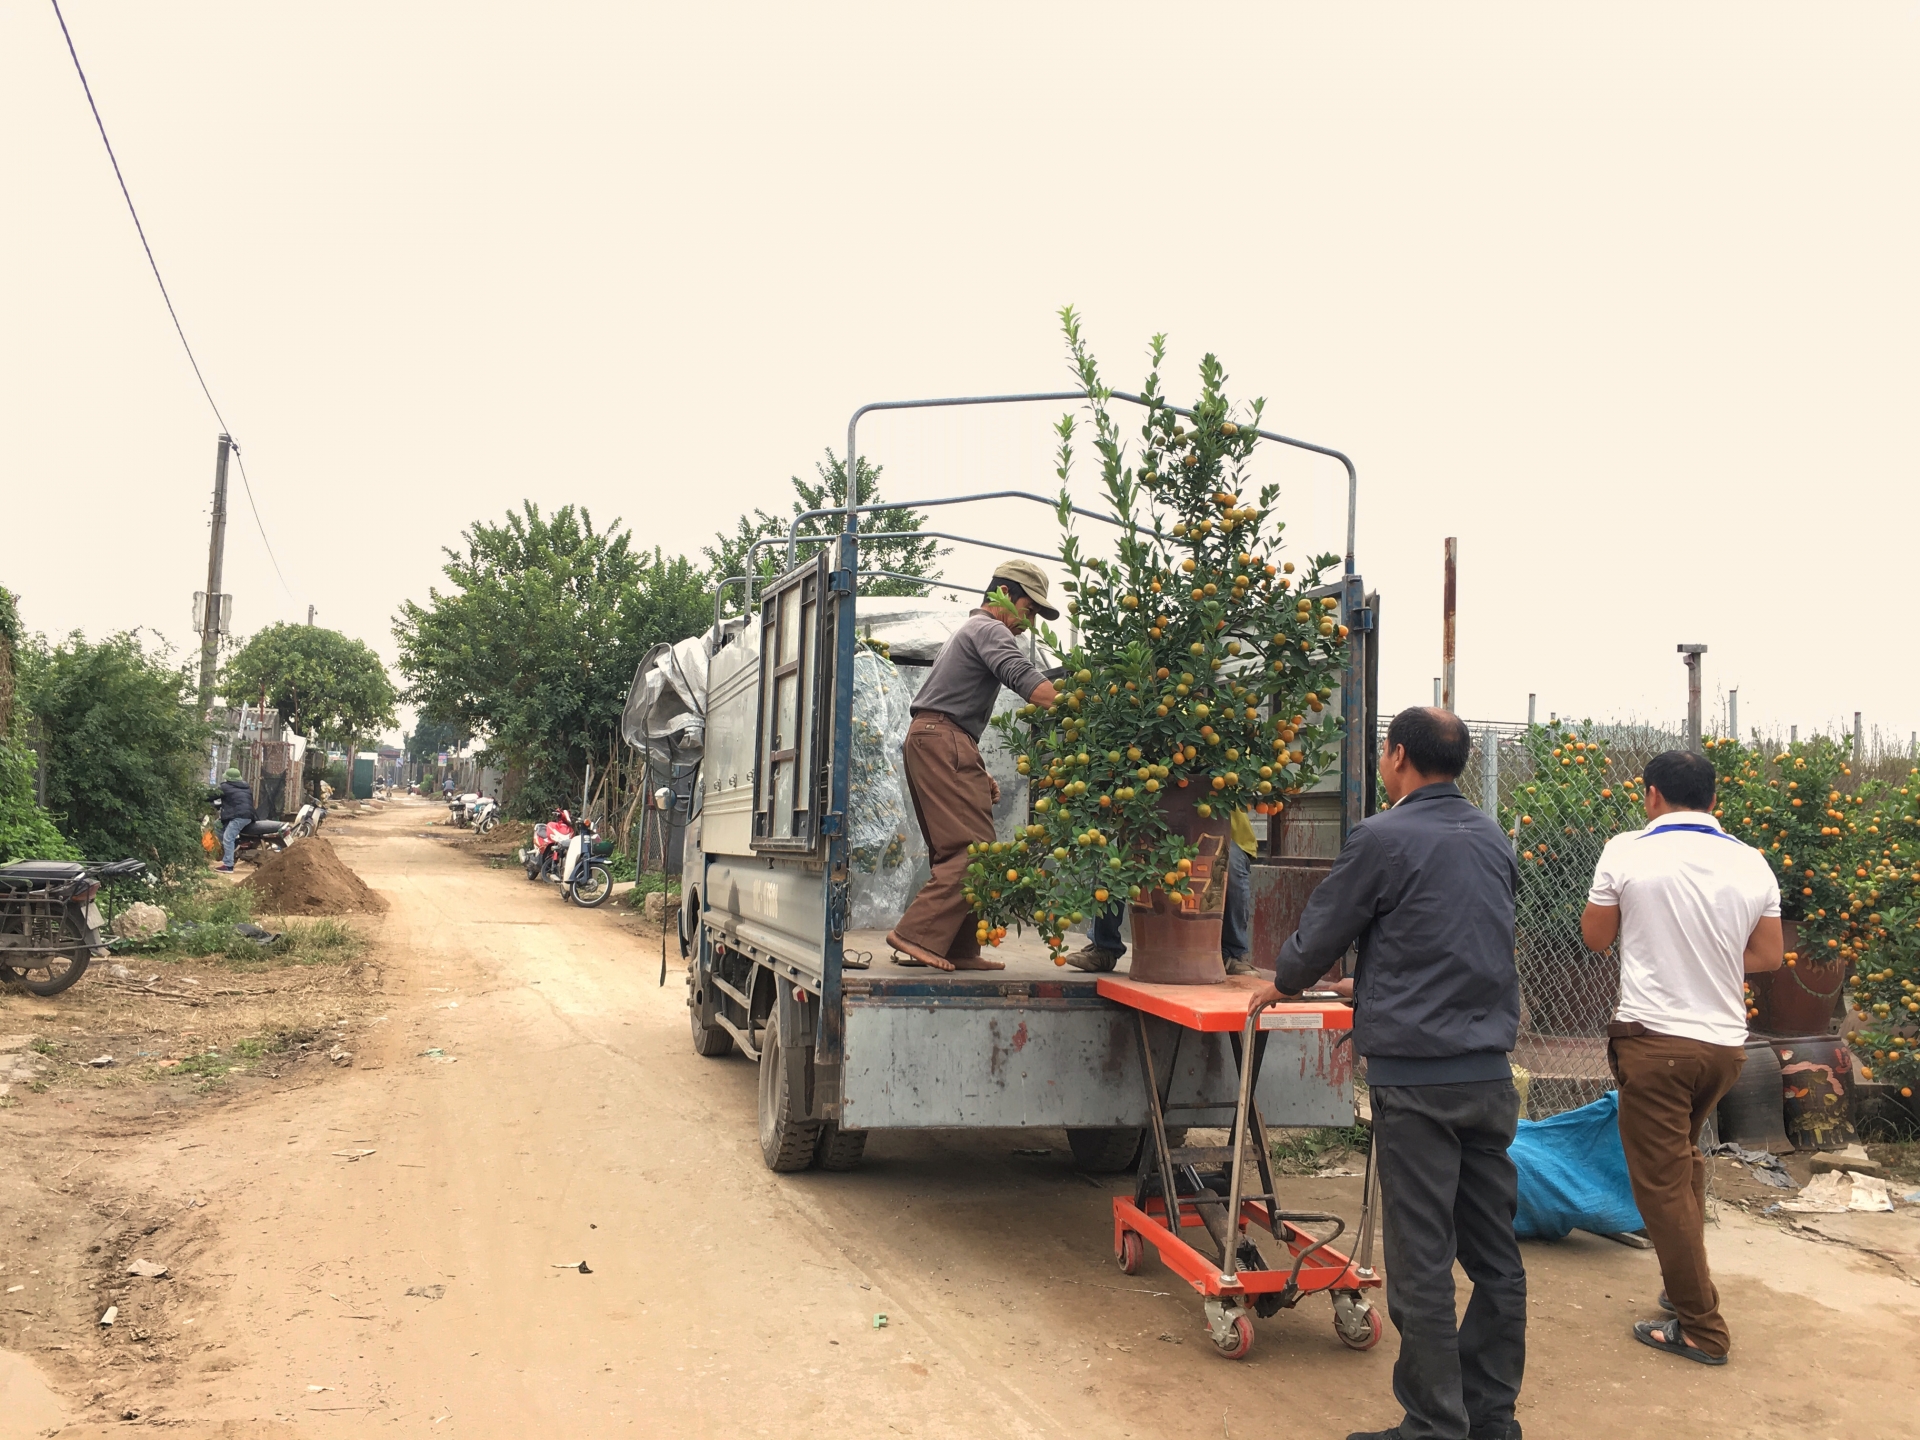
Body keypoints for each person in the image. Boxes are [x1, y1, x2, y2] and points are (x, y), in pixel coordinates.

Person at [1248, 707, 1525, 1440]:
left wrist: (1288, 978)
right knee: (1495, 1253)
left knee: (1423, 1256)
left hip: (1419, 1080)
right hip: (1489, 1076)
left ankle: (1435, 1425)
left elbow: (1320, 936)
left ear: (1398, 756)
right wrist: (1370, 984)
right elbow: (1453, 934)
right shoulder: (1491, 836)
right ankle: (1492, 1416)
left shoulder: (1382, 835)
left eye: (1382, 753)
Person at [1580, 749, 1781, 1366]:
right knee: (1684, 1161)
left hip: (1655, 1044)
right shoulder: (1752, 862)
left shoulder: (1627, 850)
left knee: (1660, 1185)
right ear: (1714, 800)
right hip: (1723, 1049)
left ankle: (1702, 1327)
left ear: (1651, 795)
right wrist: (1710, 956)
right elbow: (1770, 956)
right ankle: (1680, 1283)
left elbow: (1596, 937)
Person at [886, 561, 1060, 972]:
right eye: (1030, 610)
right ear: (1004, 594)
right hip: (942, 738)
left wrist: (975, 767)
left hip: (940, 736)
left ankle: (958, 947)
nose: (1029, 624)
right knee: (974, 851)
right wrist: (1085, 710)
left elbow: (950, 707)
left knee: (957, 850)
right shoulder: (989, 629)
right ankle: (915, 935)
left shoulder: (970, 631)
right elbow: (1022, 678)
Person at [1065, 803, 1260, 976]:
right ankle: (1104, 947)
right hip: (1151, 823)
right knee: (1112, 862)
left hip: (1221, 829)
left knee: (1231, 866)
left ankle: (1233, 953)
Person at [209, 767, 256, 872]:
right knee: (217, 825)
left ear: (228, 778)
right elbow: (235, 801)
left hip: (238, 817)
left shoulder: (225, 787)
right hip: (248, 816)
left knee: (227, 838)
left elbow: (211, 796)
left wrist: (199, 797)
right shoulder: (246, 787)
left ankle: (228, 865)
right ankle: (234, 845)